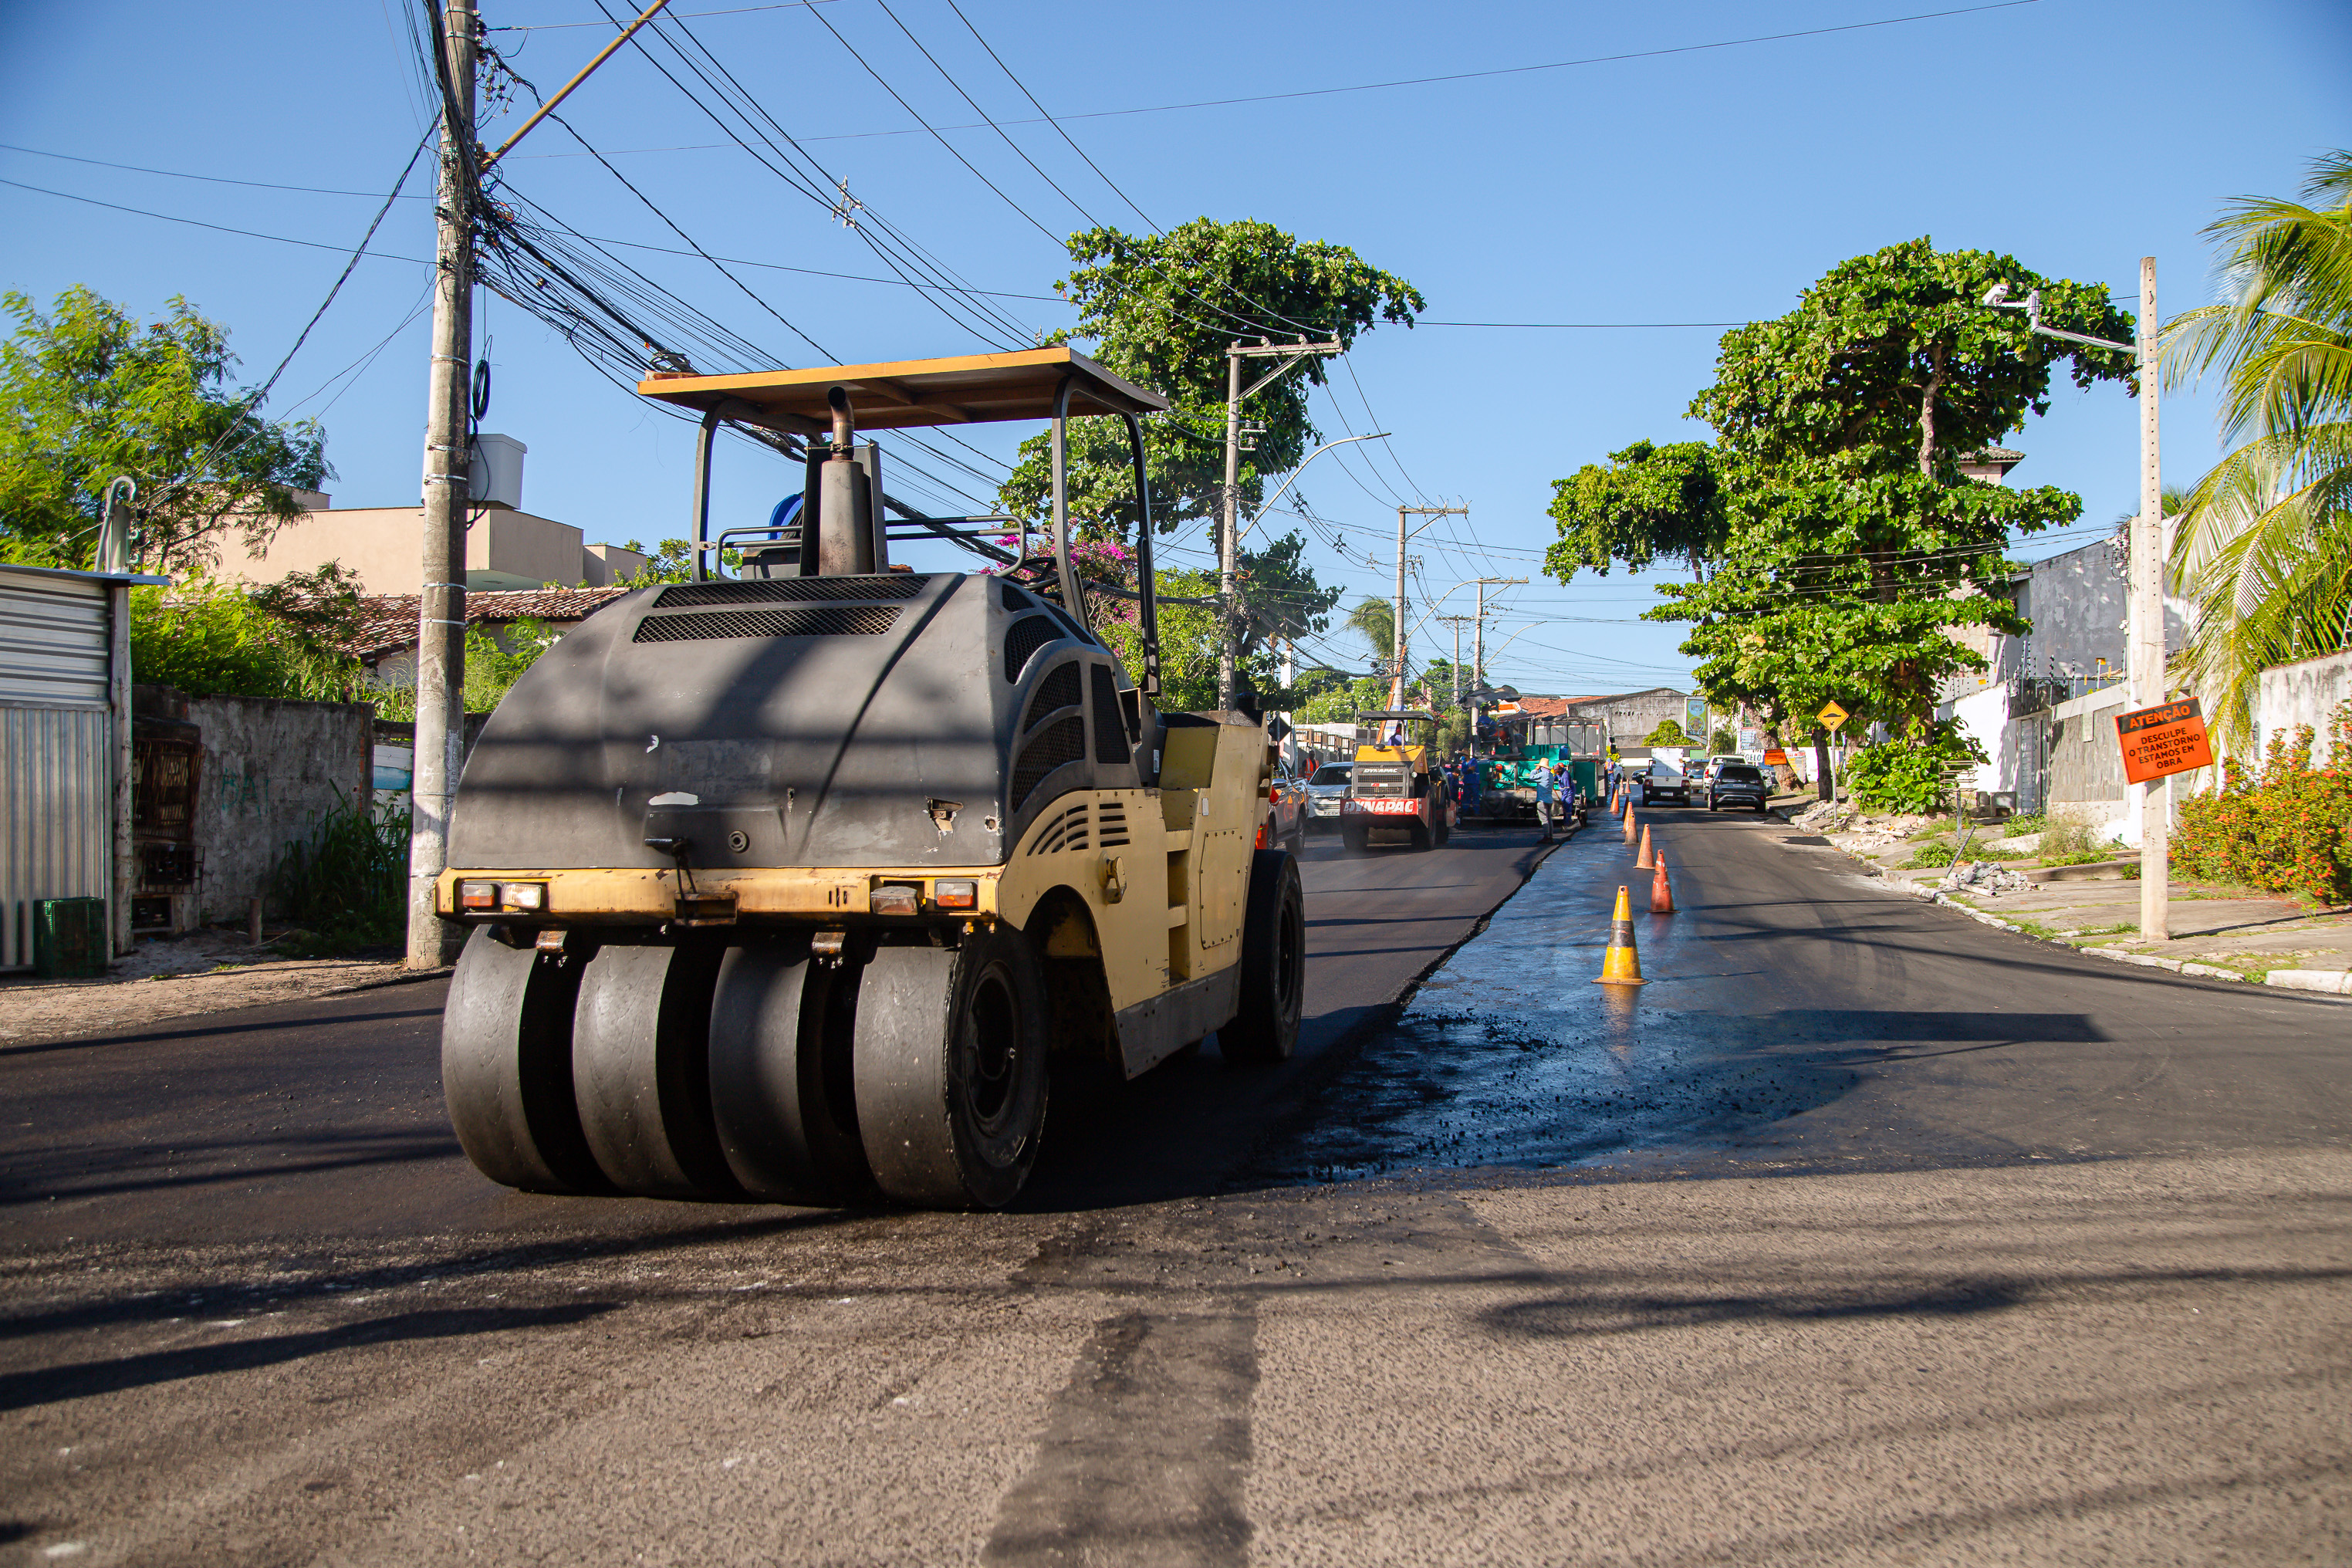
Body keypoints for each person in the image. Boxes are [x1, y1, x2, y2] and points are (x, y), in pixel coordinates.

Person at [1533, 757, 1555, 842]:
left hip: (1542, 800)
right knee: (1549, 819)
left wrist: (1535, 769)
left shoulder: (1542, 774)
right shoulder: (1551, 775)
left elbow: (1531, 777)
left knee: (1544, 820)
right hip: (1549, 799)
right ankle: (1550, 836)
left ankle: (1546, 837)